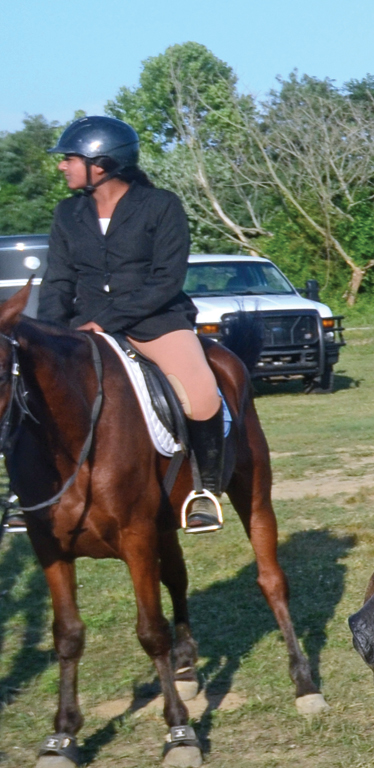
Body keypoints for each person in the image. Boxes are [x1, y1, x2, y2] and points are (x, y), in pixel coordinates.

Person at [36, 114, 230, 532]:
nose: (62, 165)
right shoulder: (67, 213)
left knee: (200, 394)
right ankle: (30, 491)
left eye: (70, 158)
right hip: (82, 329)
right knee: (34, 389)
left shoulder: (161, 205)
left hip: (155, 322)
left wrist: (104, 321)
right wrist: (49, 334)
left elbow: (166, 280)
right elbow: (58, 281)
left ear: (101, 164)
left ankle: (204, 489)